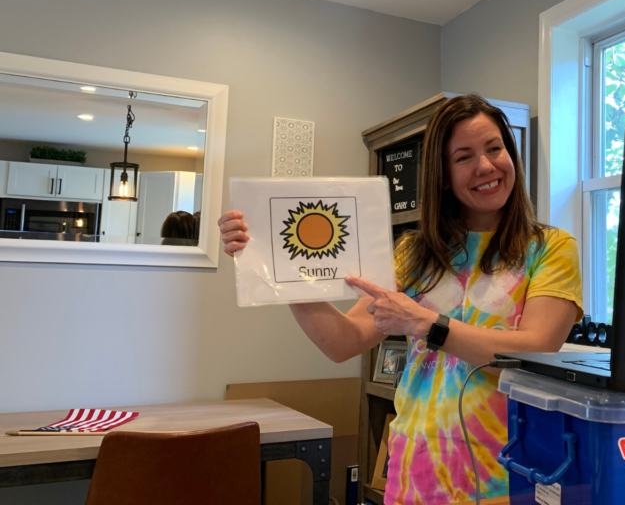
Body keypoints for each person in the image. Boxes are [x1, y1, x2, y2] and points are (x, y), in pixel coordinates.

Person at [218, 94, 583, 505]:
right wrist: (276, 263)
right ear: (443, 175)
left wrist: (428, 325)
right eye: (463, 157)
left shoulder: (550, 248)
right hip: (415, 474)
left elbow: (537, 348)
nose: (485, 166)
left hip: (508, 475)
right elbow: (344, 341)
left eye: (495, 148)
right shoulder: (413, 253)